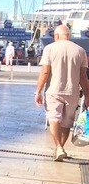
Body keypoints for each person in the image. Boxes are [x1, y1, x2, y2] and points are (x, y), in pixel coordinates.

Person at [35, 24, 89, 161]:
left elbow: (45, 72)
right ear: (68, 35)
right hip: (73, 92)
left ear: (57, 36)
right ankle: (60, 148)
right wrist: (88, 95)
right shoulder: (81, 51)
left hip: (54, 90)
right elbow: (83, 76)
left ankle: (58, 147)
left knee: (54, 119)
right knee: (66, 123)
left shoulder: (49, 49)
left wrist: (38, 91)